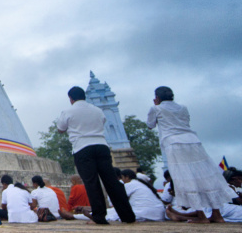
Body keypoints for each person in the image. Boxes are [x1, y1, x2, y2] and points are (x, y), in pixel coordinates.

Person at [146, 87, 234, 223]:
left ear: (157, 97)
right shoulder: (183, 107)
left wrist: (156, 106)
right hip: (193, 142)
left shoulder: (156, 108)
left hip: (174, 144)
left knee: (187, 177)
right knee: (205, 176)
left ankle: (201, 215)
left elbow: (150, 125)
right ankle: (217, 214)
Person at [57, 86, 135, 225]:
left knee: (91, 183)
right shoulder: (97, 110)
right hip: (101, 145)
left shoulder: (68, 111)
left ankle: (99, 216)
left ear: (71, 98)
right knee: (111, 181)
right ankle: (127, 215)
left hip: (82, 148)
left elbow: (61, 129)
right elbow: (103, 122)